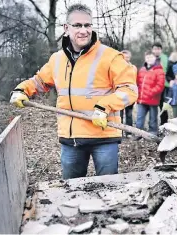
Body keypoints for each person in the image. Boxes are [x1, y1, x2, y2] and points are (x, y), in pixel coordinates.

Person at [9, 4, 138, 179]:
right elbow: (40, 81)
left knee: (110, 190)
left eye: (88, 25)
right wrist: (22, 89)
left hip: (104, 135)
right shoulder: (57, 59)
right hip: (72, 139)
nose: (84, 30)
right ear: (66, 28)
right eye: (77, 25)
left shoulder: (110, 57)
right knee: (70, 191)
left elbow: (129, 90)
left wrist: (104, 107)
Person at [136, 51, 165, 136]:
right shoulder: (142, 70)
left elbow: (160, 85)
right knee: (139, 117)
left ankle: (153, 132)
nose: (149, 59)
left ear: (155, 58)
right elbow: (138, 83)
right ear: (145, 59)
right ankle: (138, 133)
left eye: (151, 57)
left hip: (153, 99)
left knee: (153, 118)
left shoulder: (159, 70)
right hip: (141, 99)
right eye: (147, 57)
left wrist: (150, 92)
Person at [152, 42, 170, 125]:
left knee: (163, 106)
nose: (157, 51)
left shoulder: (166, 58)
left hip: (164, 85)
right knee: (153, 106)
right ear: (152, 50)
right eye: (155, 49)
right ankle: (153, 126)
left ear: (161, 50)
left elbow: (169, 71)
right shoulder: (149, 58)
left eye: (158, 49)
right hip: (153, 86)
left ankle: (164, 124)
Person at [120, 50, 137, 133]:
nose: (126, 59)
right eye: (124, 57)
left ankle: (129, 132)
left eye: (127, 57)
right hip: (119, 94)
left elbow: (135, 81)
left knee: (129, 114)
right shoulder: (117, 67)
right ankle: (119, 131)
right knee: (119, 114)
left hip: (130, 93)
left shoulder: (133, 68)